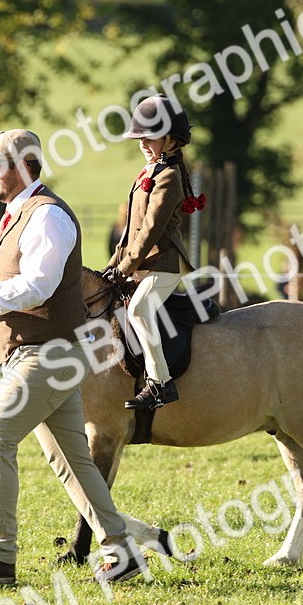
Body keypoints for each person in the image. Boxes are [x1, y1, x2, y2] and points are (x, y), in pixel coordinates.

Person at [0, 129, 143, 585]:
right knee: (71, 460)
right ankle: (122, 550)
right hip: (31, 353)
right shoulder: (17, 215)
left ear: (21, 165)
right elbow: (25, 298)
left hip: (50, 356)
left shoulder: (48, 216)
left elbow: (38, 286)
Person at [103, 94, 205, 410]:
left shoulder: (169, 177)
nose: (144, 143)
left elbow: (150, 231)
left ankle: (160, 383)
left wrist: (126, 268)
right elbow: (130, 231)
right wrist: (111, 266)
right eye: (140, 138)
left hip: (165, 263)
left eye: (151, 136)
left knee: (138, 311)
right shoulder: (148, 171)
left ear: (172, 139)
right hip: (142, 263)